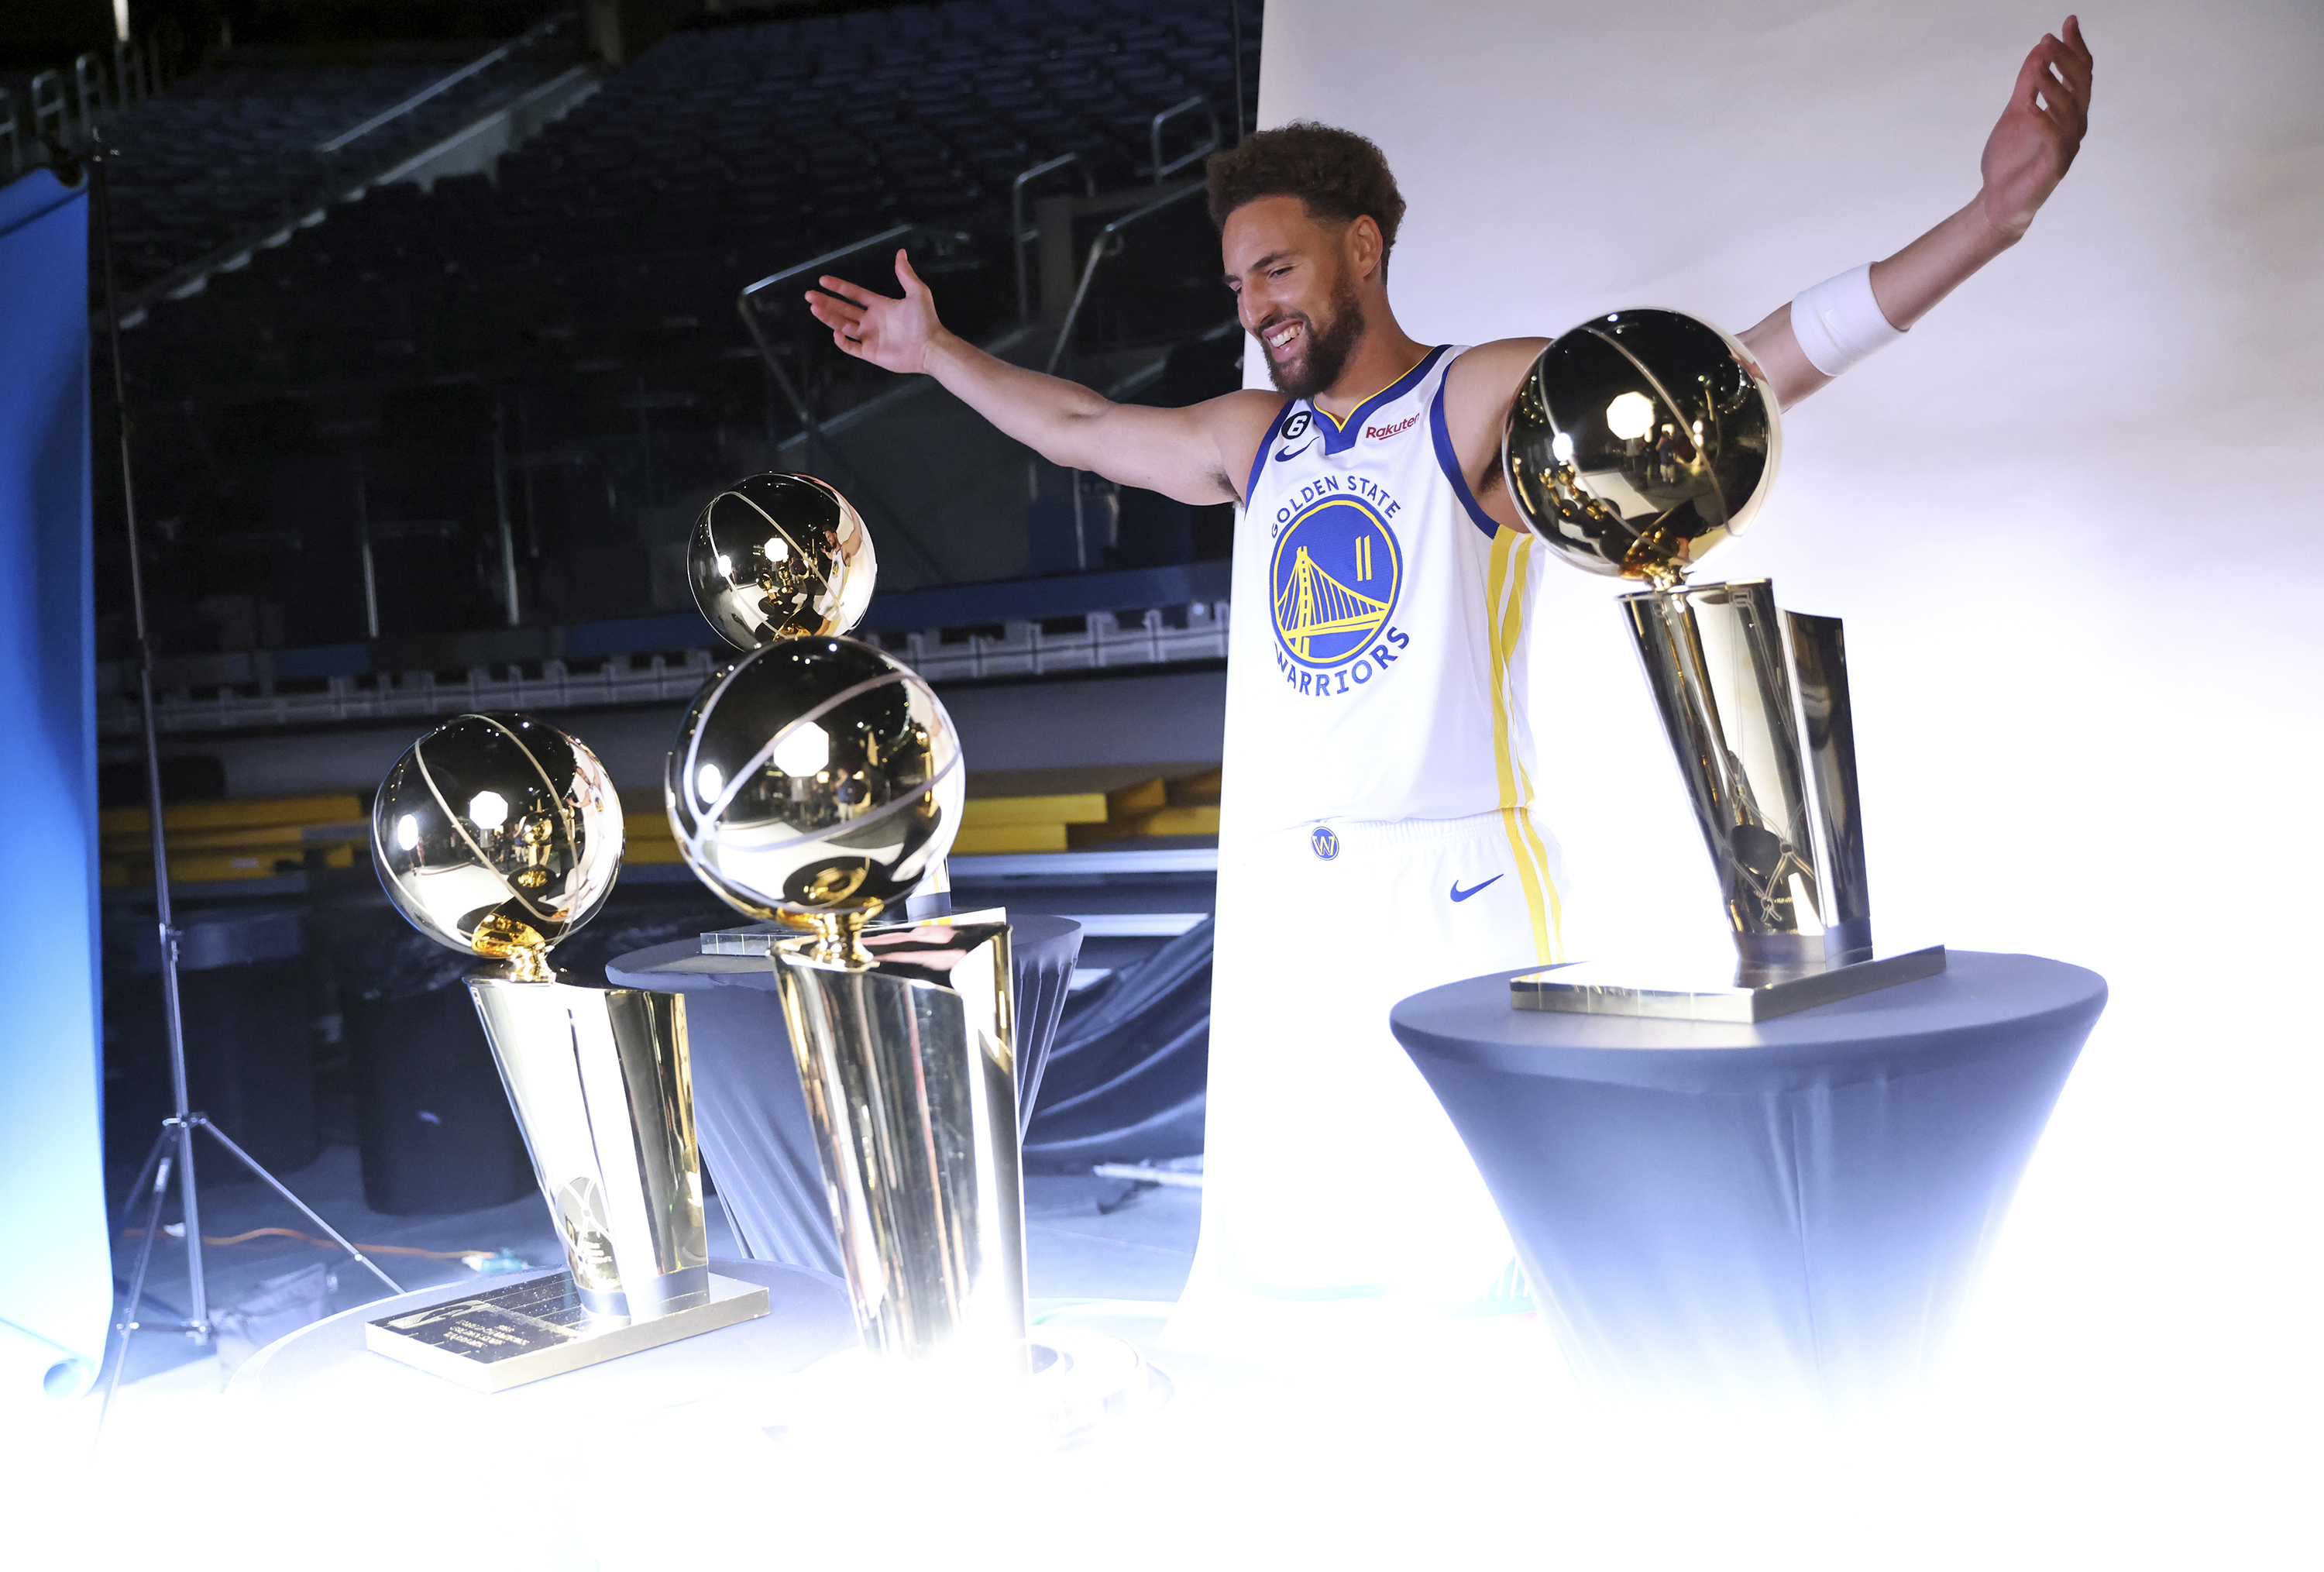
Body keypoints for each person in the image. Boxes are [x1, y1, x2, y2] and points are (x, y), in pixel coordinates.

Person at [807, 19, 2094, 1356]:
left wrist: (1985, 222)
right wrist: (937, 354)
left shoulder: (1470, 398)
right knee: (1306, 1282)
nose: (1254, 305)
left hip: (1457, 890)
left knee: (1486, 1278)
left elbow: (1719, 376)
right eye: (1239, 282)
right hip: (1292, 900)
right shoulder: (1259, 440)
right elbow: (1078, 426)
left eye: (1278, 267)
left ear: (1363, 247)